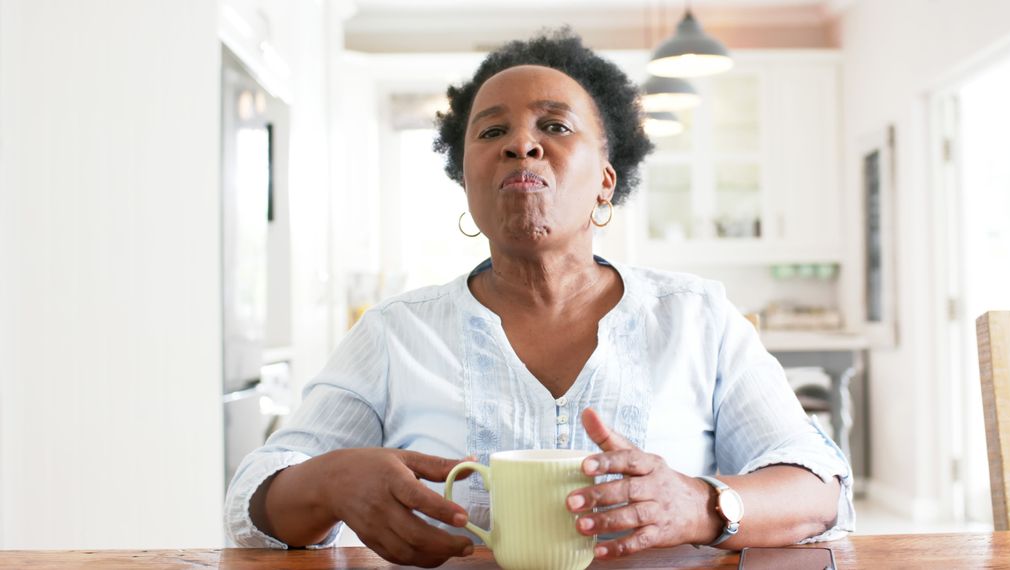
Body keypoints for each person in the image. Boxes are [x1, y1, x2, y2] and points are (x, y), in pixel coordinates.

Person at [225, 29, 854, 567]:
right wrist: (330, 482)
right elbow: (252, 500)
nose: (520, 144)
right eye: (491, 130)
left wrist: (702, 503)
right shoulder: (395, 334)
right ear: (466, 180)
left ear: (607, 180)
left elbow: (818, 488)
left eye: (554, 126)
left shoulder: (697, 318)